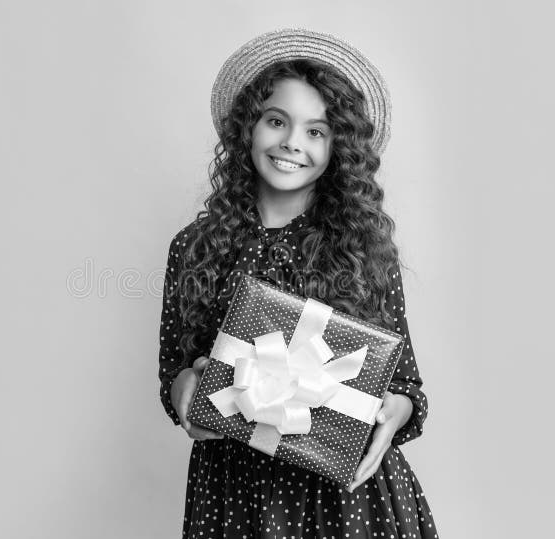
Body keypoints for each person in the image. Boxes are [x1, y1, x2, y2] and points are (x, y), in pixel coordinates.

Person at [157, 28, 438, 538]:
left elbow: (404, 386)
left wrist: (391, 417)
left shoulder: (362, 249)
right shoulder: (193, 246)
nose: (291, 143)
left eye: (316, 131)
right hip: (235, 492)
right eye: (276, 121)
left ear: (339, 148)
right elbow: (174, 370)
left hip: (347, 500)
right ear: (248, 127)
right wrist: (183, 392)